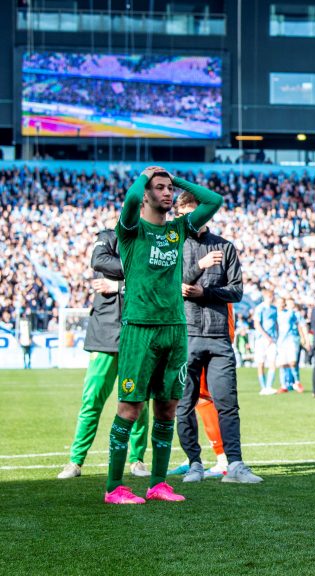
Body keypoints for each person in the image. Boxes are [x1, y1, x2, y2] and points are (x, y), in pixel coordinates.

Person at [103, 165, 223, 504]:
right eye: (160, 188)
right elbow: (130, 201)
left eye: (169, 188)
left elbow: (214, 201)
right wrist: (146, 176)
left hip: (175, 329)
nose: (167, 192)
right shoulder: (130, 230)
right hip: (140, 328)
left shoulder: (177, 229)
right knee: (130, 408)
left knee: (168, 409)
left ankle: (158, 485)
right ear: (145, 195)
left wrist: (175, 178)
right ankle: (114, 488)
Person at [174, 191, 261, 484]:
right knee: (184, 404)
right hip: (185, 335)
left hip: (218, 337)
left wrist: (205, 292)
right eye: (182, 215)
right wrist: (198, 267)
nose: (187, 219)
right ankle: (194, 463)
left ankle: (234, 464)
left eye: (192, 214)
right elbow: (167, 285)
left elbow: (236, 291)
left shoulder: (225, 247)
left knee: (227, 402)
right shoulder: (174, 245)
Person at [58, 229, 150, 480]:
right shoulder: (109, 236)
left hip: (137, 333)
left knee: (138, 402)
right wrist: (136, 271)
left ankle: (137, 460)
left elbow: (153, 280)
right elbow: (99, 260)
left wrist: (118, 285)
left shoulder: (148, 240)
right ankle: (75, 461)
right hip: (105, 334)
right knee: (92, 400)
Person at [275, 297, 305, 394]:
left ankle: (297, 382)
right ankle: (283, 385)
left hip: (291, 340)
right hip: (280, 341)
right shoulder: (276, 314)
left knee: (292, 362)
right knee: (282, 364)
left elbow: (300, 325)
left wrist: (303, 337)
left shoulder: (292, 313)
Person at [253, 288, 279, 395]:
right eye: (269, 296)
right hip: (261, 339)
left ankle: (269, 386)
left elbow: (276, 323)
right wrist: (266, 336)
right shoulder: (260, 308)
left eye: (272, 296)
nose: (271, 298)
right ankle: (263, 387)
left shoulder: (274, 309)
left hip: (272, 339)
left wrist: (276, 336)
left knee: (272, 362)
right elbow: (257, 324)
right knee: (261, 363)